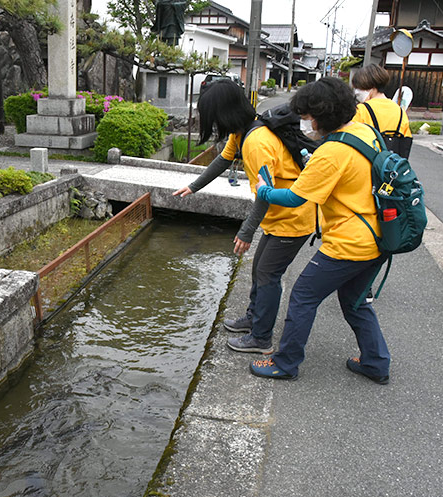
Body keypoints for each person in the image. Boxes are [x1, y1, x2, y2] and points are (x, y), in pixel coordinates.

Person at [249, 77, 391, 384]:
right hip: (380, 237)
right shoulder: (364, 132)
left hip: (349, 243)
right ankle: (376, 362)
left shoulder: (332, 152)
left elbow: (293, 197)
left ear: (320, 115)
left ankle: (285, 363)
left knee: (303, 296)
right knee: (355, 302)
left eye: (305, 116)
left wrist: (264, 191)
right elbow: (355, 174)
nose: (303, 122)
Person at [172, 79, 316, 354]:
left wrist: (246, 231)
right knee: (259, 269)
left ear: (223, 113)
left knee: (267, 274)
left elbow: (265, 193)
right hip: (279, 215)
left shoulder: (256, 143)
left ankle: (261, 338)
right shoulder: (243, 131)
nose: (211, 123)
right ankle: (254, 318)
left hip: (293, 217)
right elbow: (223, 160)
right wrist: (194, 186)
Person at [351, 64, 413, 158]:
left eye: (360, 87)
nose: (357, 92)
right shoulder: (400, 112)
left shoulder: (361, 110)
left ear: (372, 87)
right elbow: (406, 143)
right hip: (391, 168)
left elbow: (350, 140)